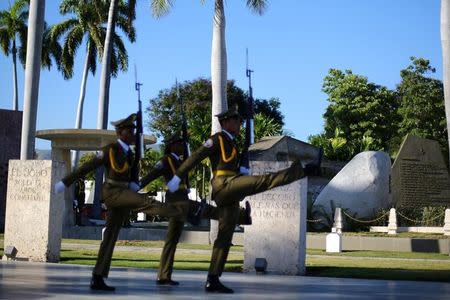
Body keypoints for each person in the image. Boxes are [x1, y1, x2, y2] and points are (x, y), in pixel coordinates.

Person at [166, 109, 319, 294]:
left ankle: (213, 279)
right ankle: (303, 170)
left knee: (225, 235)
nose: (240, 124)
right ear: (226, 122)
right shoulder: (217, 139)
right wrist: (177, 177)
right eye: (237, 120)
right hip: (224, 184)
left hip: (233, 186)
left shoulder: (232, 142)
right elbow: (195, 157)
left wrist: (243, 167)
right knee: (263, 181)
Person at [54, 113, 188, 292]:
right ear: (120, 133)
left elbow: (132, 173)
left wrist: (134, 181)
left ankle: (98, 276)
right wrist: (65, 182)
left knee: (110, 236)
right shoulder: (110, 149)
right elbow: (88, 166)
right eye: (130, 130)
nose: (133, 133)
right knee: (145, 201)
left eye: (133, 130)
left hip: (123, 192)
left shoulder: (130, 153)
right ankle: (182, 212)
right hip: (113, 192)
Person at [140, 134, 251, 286]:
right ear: (172, 145)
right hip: (176, 201)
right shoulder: (166, 160)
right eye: (179, 143)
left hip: (182, 199)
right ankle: (241, 216)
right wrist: (135, 187)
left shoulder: (180, 160)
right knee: (206, 211)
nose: (182, 146)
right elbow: (151, 176)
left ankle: (163, 275)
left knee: (172, 240)